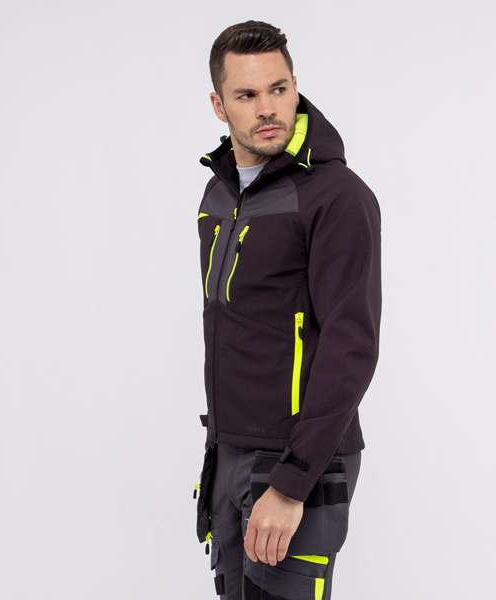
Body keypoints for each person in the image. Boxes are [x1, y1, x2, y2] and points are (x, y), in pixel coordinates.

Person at [193, 20, 382, 600]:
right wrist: (219, 458)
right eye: (247, 94)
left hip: (299, 461)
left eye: (278, 89)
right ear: (219, 105)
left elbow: (351, 348)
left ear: (295, 85)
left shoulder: (336, 196)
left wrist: (292, 482)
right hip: (228, 453)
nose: (267, 108)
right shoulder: (219, 194)